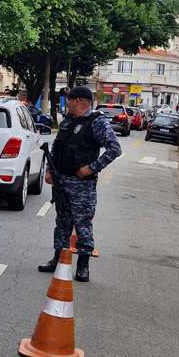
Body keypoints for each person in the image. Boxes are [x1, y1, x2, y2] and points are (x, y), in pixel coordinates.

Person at [38, 86, 121, 282]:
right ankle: (57, 259)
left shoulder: (96, 122)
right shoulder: (68, 121)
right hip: (61, 180)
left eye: (69, 100)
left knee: (82, 224)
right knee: (62, 222)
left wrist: (92, 168)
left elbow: (114, 148)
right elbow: (57, 147)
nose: (67, 104)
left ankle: (83, 265)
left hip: (82, 184)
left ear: (78, 101)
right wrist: (50, 171)